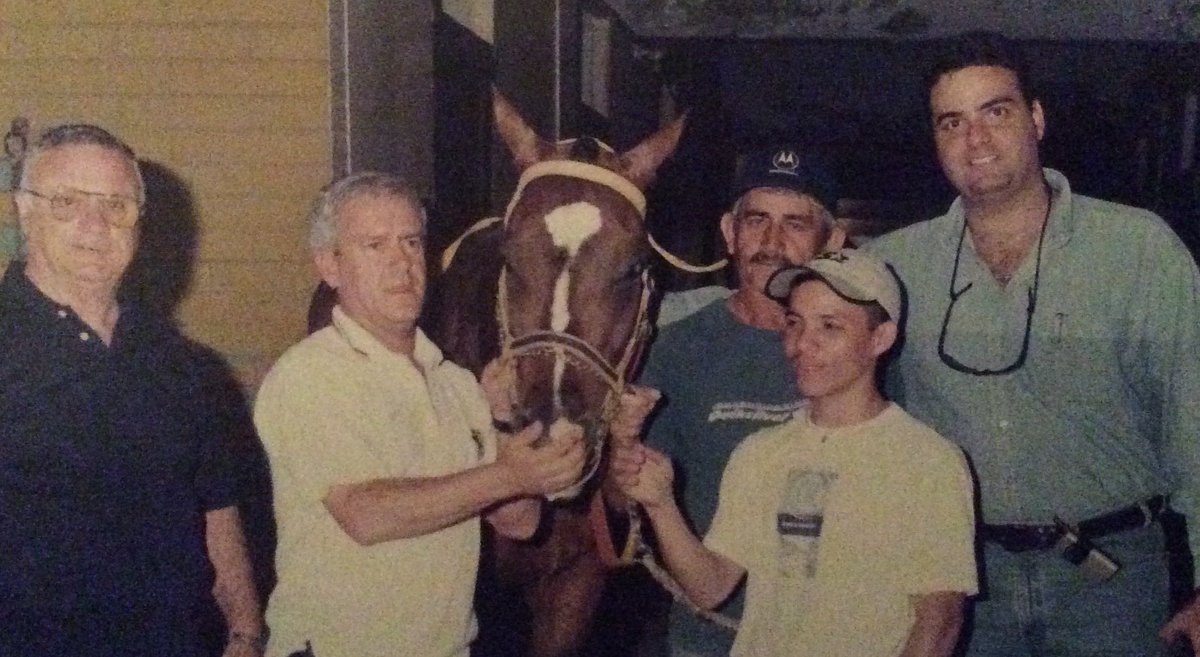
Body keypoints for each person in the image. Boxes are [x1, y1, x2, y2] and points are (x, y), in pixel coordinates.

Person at [867, 30, 1200, 656]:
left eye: (996, 112)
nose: (976, 140)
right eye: (952, 122)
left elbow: (1196, 417)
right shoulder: (892, 267)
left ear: (1037, 118)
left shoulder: (1137, 249)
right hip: (958, 581)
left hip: (1113, 584)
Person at [254, 172, 589, 657]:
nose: (402, 262)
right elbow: (365, 514)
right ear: (330, 265)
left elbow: (521, 523)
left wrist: (502, 428)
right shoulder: (311, 375)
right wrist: (506, 474)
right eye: (375, 245)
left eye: (412, 242)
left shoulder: (454, 384)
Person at [616, 249, 977, 657]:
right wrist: (661, 504)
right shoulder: (760, 454)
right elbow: (710, 588)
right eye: (794, 323)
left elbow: (939, 622)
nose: (802, 344)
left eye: (830, 327)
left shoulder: (929, 461)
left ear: (880, 338)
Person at [0, 124, 263, 656]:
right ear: (23, 210)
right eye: (66, 202)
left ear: (139, 222)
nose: (94, 224)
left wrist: (245, 633)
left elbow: (217, 511)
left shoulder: (184, 367)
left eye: (116, 205)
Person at [635, 145, 846, 655]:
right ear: (730, 232)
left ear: (832, 241)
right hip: (706, 634)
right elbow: (632, 494)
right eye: (757, 221)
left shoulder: (860, 348)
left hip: (835, 633)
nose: (771, 243)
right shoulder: (673, 347)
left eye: (795, 224)